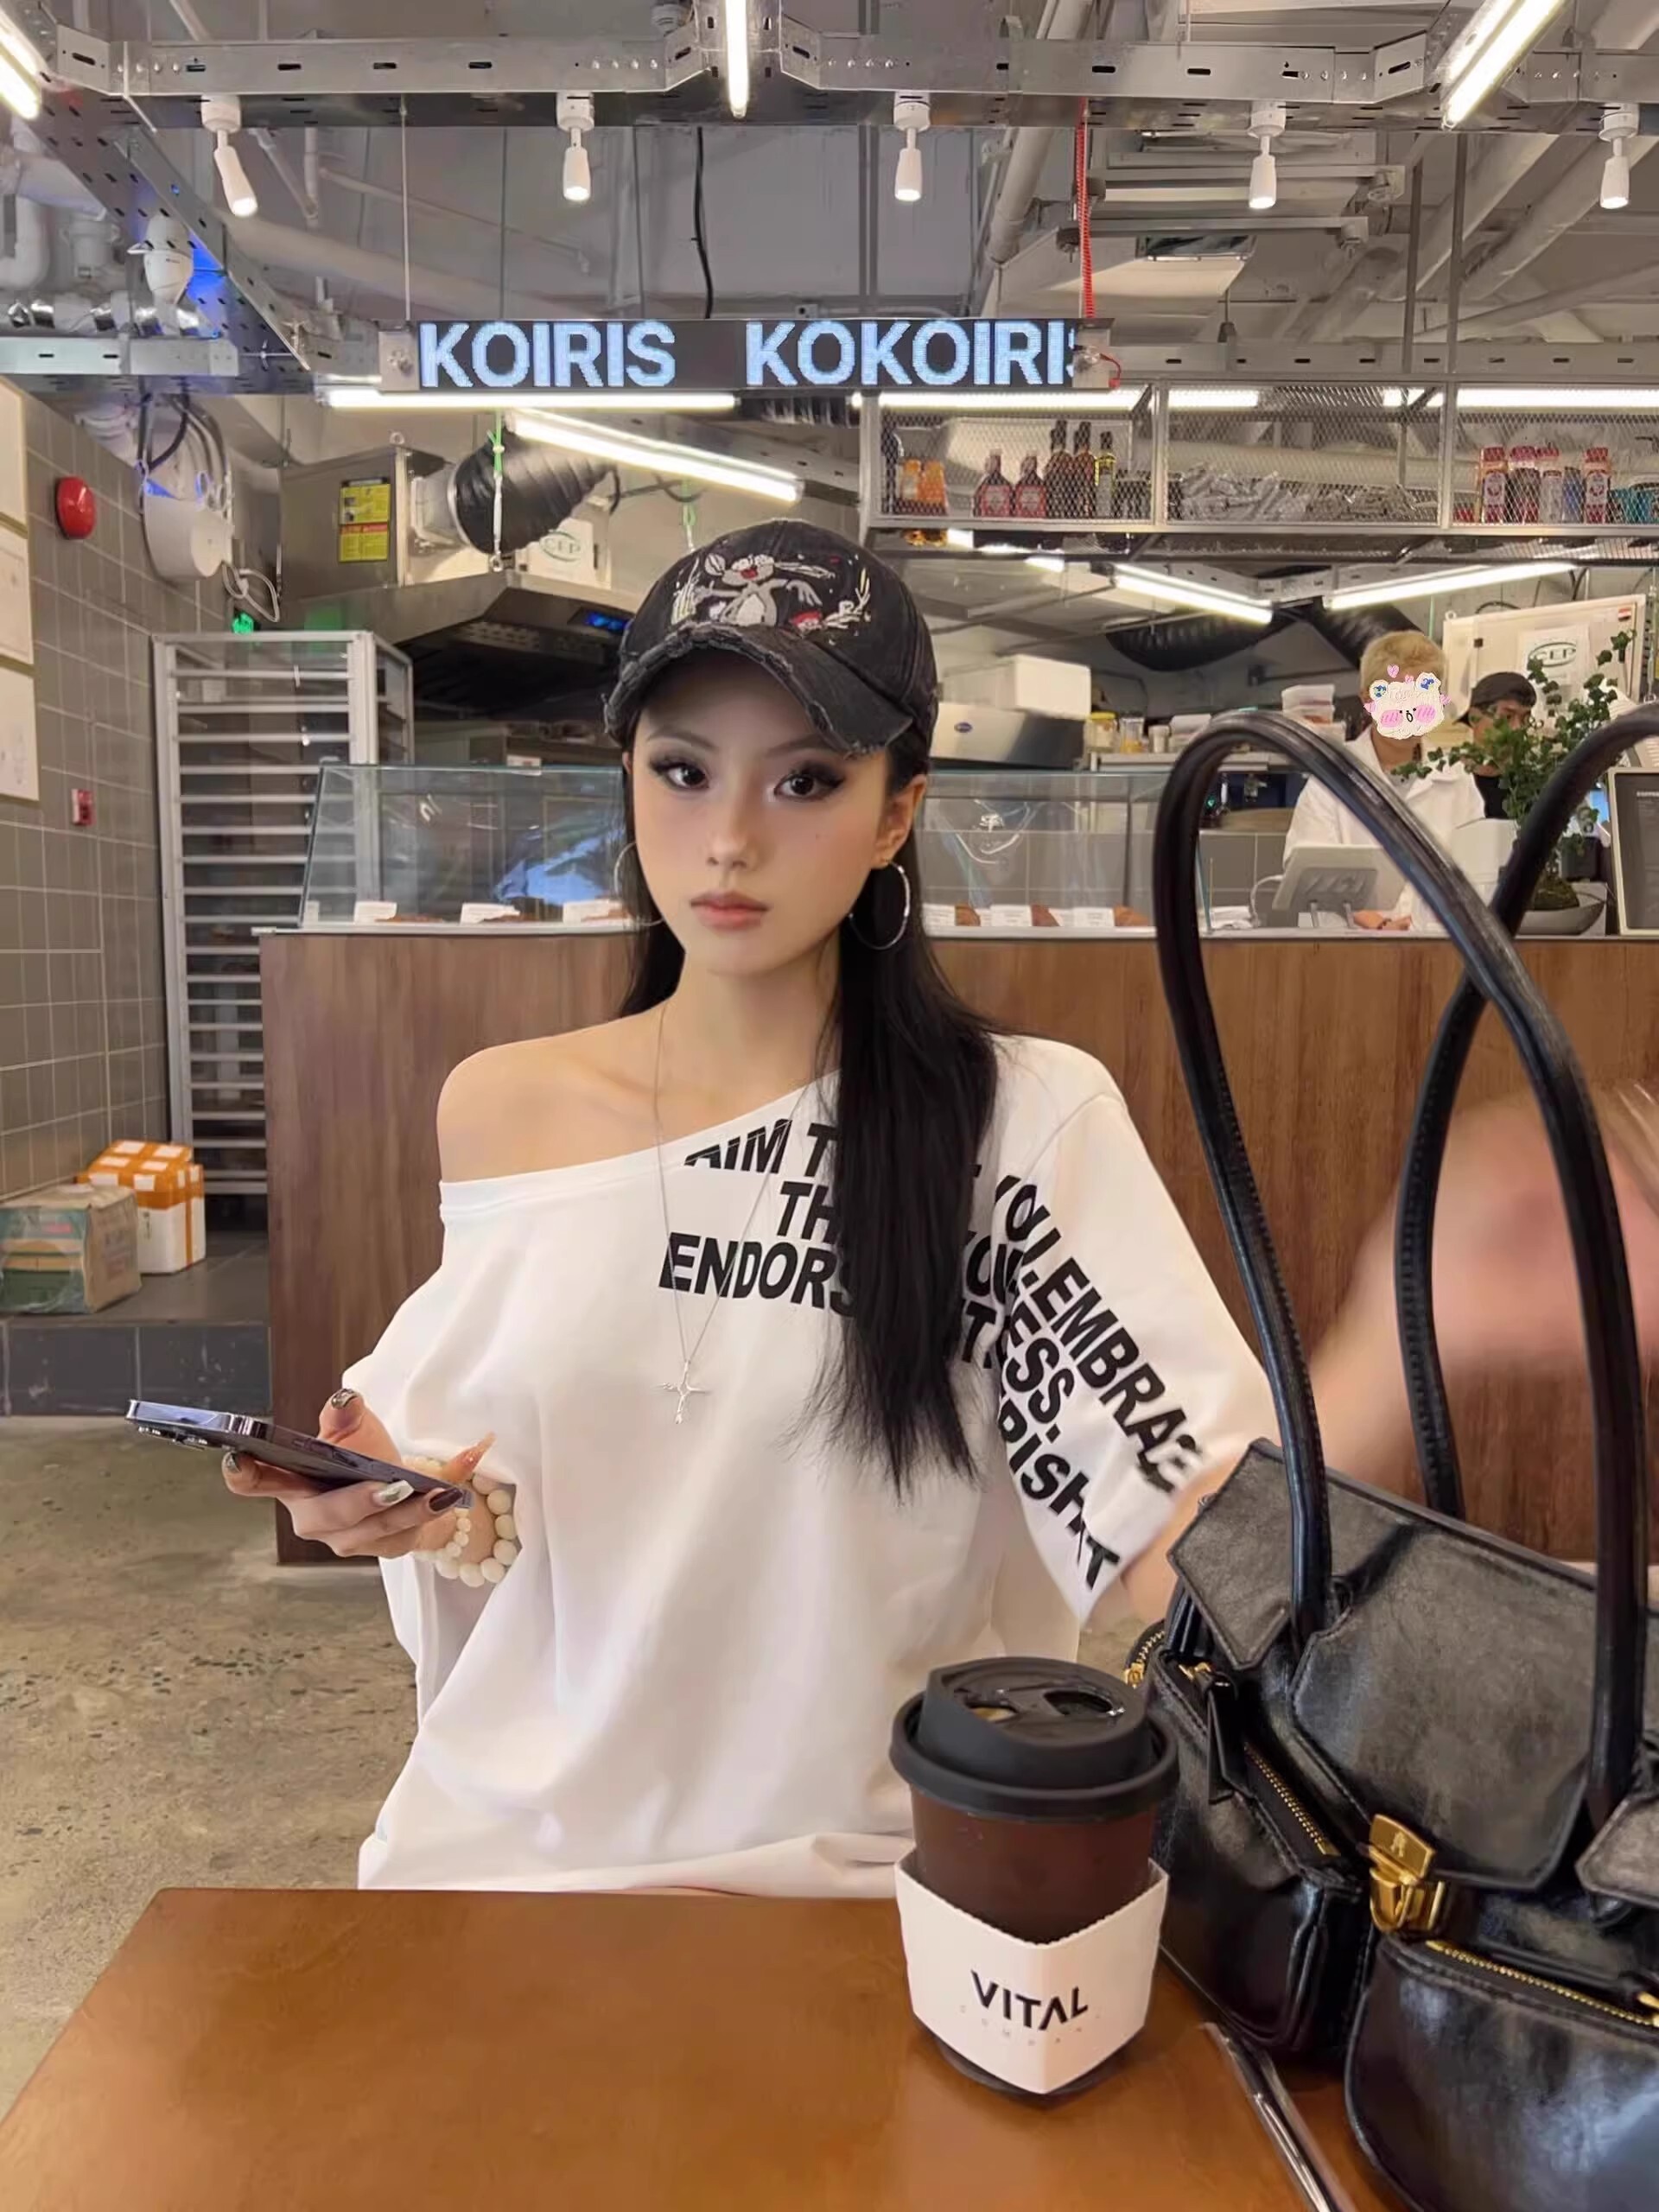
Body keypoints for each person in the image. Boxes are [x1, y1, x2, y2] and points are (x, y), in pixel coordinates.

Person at [222, 524, 1659, 1901]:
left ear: (896, 811)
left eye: (805, 781)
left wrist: (1415, 1326)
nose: (728, 839)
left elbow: (1183, 1553)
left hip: (866, 1904)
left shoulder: (1010, 1127)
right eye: (683, 770)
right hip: (503, 1878)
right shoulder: (501, 1107)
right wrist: (394, 1498)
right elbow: (488, 1503)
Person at [1283, 629, 1484, 929]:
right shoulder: (1332, 778)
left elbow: (1478, 873)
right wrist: (1379, 926)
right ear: (1368, 699)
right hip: (1351, 944)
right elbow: (1310, 875)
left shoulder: (1457, 781)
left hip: (1438, 943)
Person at [1465, 669, 1537, 821]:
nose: (1517, 728)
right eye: (1507, 717)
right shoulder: (1439, 785)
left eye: (1525, 719)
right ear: (1474, 718)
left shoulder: (1533, 785)